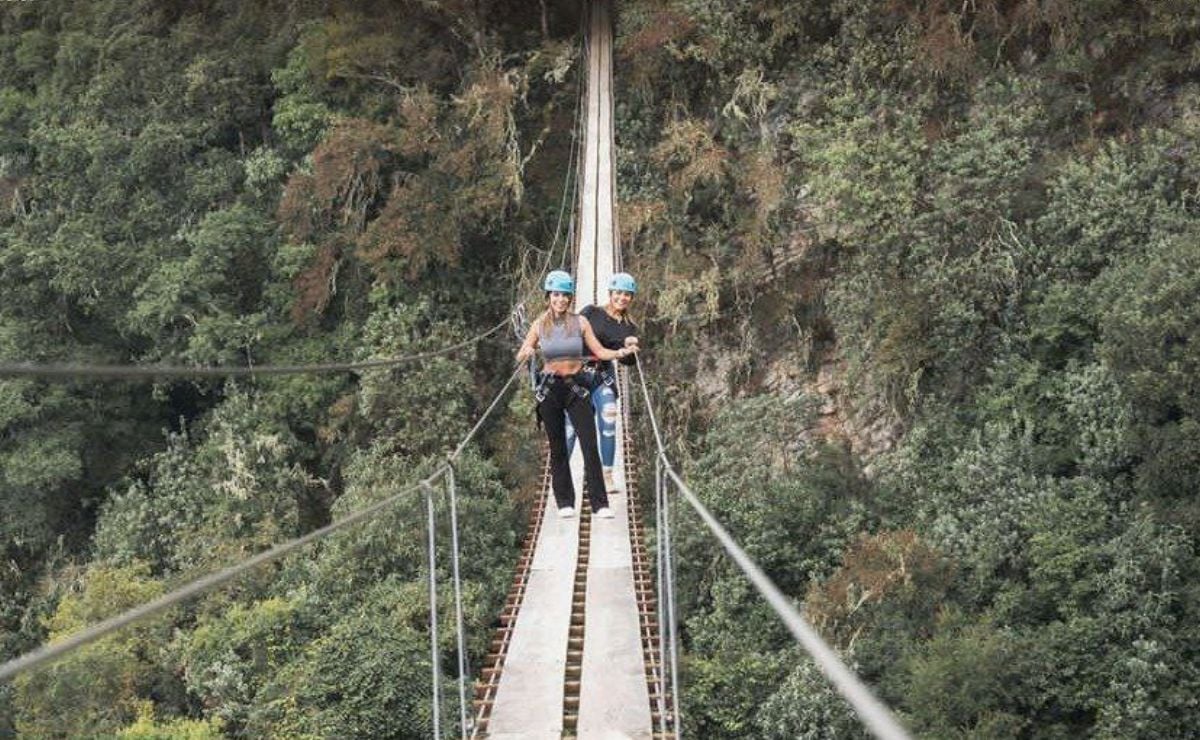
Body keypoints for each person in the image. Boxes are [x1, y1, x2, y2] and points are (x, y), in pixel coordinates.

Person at [516, 270, 638, 519]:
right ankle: (564, 502)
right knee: (558, 444)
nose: (561, 299)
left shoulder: (581, 323)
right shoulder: (539, 324)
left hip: (576, 386)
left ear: (571, 298)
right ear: (548, 296)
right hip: (551, 388)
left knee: (589, 444)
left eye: (565, 295)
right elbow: (522, 351)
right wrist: (528, 350)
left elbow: (600, 351)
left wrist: (619, 354)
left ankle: (600, 503)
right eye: (556, 295)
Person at [566, 272, 640, 492]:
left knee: (608, 416)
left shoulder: (630, 328)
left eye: (627, 294)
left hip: (601, 375)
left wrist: (629, 348)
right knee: (570, 426)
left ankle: (606, 475)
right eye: (618, 293)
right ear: (610, 293)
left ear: (631, 298)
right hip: (577, 374)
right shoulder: (591, 312)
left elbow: (628, 362)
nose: (622, 298)